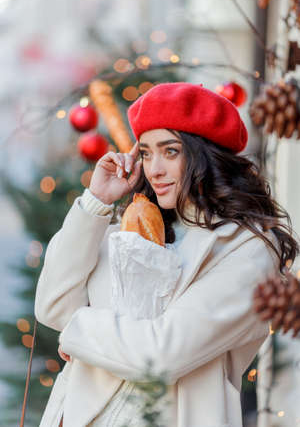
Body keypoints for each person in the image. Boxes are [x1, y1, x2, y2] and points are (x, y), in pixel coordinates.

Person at [34, 82, 299, 427]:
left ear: (206, 154)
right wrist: (96, 202)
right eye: (145, 153)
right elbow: (52, 304)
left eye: (170, 151)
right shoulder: (130, 228)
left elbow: (163, 353)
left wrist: (80, 333)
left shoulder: (248, 251)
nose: (154, 169)